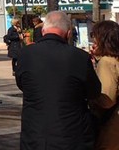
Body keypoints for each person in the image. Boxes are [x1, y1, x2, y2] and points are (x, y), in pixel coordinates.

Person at [15, 11, 101, 150]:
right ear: (68, 34)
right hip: (71, 135)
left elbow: (21, 84)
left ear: (43, 31)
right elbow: (94, 92)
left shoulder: (25, 55)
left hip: (35, 134)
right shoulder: (79, 57)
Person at [89, 20, 119, 149]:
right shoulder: (114, 59)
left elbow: (107, 100)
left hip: (111, 127)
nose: (93, 43)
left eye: (95, 38)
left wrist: (89, 95)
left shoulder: (106, 62)